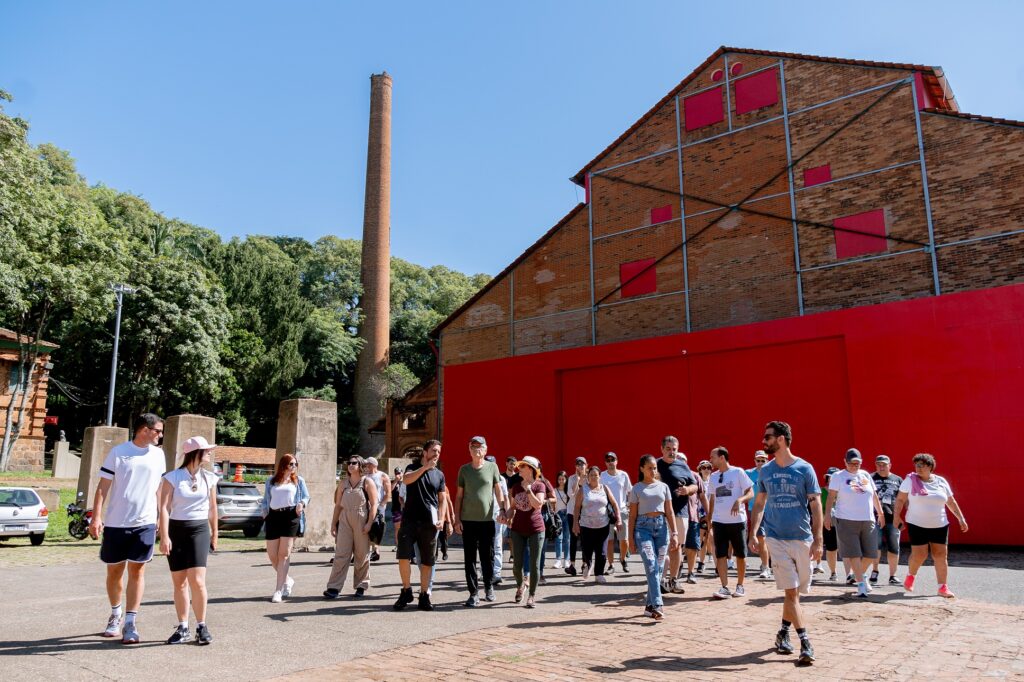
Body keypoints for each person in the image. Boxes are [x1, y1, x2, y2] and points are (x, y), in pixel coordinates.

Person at [748, 421, 822, 666]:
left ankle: (782, 632)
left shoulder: (804, 468)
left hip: (802, 538)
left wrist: (818, 539)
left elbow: (815, 504)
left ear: (780, 439)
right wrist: (754, 531)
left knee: (796, 594)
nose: (763, 441)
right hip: (775, 538)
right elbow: (759, 502)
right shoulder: (766, 471)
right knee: (791, 591)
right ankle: (805, 642)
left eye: (767, 437)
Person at [89, 413, 166, 644]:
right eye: (158, 431)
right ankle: (116, 613)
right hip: (115, 523)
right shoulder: (118, 452)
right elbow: (103, 487)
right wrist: (96, 517)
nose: (161, 436)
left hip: (145, 523)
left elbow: (160, 488)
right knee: (114, 572)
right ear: (144, 429)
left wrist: (162, 516)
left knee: (137, 571)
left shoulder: (159, 455)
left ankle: (131, 622)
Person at [157, 436, 219, 645]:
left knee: (198, 581)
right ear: (196, 453)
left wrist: (215, 532)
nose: (210, 453)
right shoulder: (172, 477)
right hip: (176, 529)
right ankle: (183, 626)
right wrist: (164, 536)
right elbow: (164, 508)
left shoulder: (209, 478)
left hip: (199, 529)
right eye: (206, 450)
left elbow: (212, 508)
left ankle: (201, 626)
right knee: (180, 582)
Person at [893, 453, 968, 598]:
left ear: (930, 466)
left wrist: (961, 518)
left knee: (940, 555)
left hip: (939, 524)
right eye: (916, 465)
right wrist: (896, 516)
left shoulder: (941, 481)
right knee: (920, 555)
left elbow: (951, 502)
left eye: (921, 465)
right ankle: (911, 575)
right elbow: (900, 499)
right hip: (916, 523)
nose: (918, 468)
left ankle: (942, 587)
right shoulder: (910, 480)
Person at [394, 440, 448, 611]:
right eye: (433, 451)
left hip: (429, 523)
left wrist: (442, 518)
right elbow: (407, 480)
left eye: (439, 451)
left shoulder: (439, 475)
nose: (437, 454)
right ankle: (406, 590)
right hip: (409, 520)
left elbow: (442, 500)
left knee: (427, 561)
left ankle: (424, 595)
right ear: (425, 453)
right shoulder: (412, 467)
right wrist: (425, 468)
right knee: (403, 556)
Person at [454, 436, 506, 607]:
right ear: (469, 449)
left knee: (487, 557)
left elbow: (498, 491)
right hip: (468, 521)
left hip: (486, 521)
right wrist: (457, 519)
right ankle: (473, 593)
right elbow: (459, 496)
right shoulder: (464, 470)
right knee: (469, 559)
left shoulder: (493, 468)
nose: (477, 449)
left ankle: (489, 587)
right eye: (473, 446)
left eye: (480, 446)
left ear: (486, 449)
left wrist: (503, 509)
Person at [825, 448, 884, 598]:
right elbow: (831, 497)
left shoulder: (865, 475)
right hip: (846, 519)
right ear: (845, 461)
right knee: (854, 554)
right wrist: (827, 516)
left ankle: (860, 575)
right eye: (851, 463)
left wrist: (880, 513)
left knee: (871, 553)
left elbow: (874, 495)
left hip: (867, 518)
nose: (855, 466)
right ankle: (861, 586)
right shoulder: (838, 476)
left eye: (857, 463)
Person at [628, 455, 678, 620]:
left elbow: (670, 511)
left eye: (655, 467)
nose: (653, 470)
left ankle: (649, 606)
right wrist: (630, 539)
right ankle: (658, 604)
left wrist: (675, 533)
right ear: (642, 468)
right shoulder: (636, 488)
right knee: (651, 564)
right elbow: (632, 516)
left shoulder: (663, 487)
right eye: (649, 467)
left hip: (662, 528)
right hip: (643, 529)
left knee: (657, 567)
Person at [323, 456, 377, 599]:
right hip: (345, 518)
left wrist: (369, 523)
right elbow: (338, 506)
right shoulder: (343, 483)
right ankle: (334, 587)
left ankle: (361, 585)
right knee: (341, 553)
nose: (351, 465)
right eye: (349, 463)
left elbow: (374, 504)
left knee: (361, 554)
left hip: (361, 518)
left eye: (354, 463)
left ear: (360, 466)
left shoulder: (367, 482)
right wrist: (333, 523)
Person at [261, 453, 310, 603]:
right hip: (273, 517)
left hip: (291, 517)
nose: (293, 467)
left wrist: (302, 503)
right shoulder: (271, 481)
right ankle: (287, 580)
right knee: (272, 555)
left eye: (295, 464)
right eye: (291, 464)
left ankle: (278, 590)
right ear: (283, 465)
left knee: (284, 554)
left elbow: (306, 496)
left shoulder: (298, 481)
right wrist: (264, 512)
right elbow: (265, 500)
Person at [707, 446, 754, 599]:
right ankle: (724, 587)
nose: (710, 460)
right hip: (719, 521)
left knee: (740, 554)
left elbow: (750, 492)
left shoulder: (738, 472)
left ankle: (740, 586)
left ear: (722, 458)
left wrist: (740, 500)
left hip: (737, 521)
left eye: (712, 457)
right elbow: (712, 498)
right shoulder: (713, 477)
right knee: (720, 554)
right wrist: (709, 519)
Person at [656, 436, 698, 594]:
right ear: (661, 449)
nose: (671, 452)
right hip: (658, 513)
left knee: (676, 547)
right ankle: (658, 581)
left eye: (674, 449)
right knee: (659, 548)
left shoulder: (682, 465)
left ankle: (673, 580)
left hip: (680, 513)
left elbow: (694, 485)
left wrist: (687, 490)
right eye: (668, 449)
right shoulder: (655, 465)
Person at [507, 456, 547, 607]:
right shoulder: (516, 486)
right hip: (517, 529)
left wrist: (529, 491)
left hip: (536, 529)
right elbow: (513, 507)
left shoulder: (539, 486)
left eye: (522, 466)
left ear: (530, 469)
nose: (519, 468)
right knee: (517, 565)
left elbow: (538, 505)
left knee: (534, 564)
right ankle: (520, 585)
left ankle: (532, 596)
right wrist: (505, 515)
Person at [573, 465, 620, 583]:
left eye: (596, 475)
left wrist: (618, 519)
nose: (594, 477)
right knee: (587, 550)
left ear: (600, 477)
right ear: (588, 477)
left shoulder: (605, 488)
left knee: (602, 551)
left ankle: (599, 574)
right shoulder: (583, 489)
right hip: (586, 525)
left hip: (603, 525)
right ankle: (588, 564)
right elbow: (577, 507)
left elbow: (614, 504)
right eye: (591, 475)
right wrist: (575, 523)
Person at [871, 455, 903, 585]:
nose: (881, 467)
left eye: (884, 464)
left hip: (892, 518)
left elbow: (902, 499)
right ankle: (875, 571)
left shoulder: (897, 479)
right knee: (875, 546)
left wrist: (901, 516)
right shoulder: (870, 478)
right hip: (874, 517)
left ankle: (893, 575)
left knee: (894, 547)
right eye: (879, 464)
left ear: (890, 465)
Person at [601, 452, 632, 574]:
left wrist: (629, 506)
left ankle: (623, 559)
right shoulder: (602, 475)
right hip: (607, 512)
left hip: (622, 511)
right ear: (605, 463)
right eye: (608, 460)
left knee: (624, 540)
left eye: (612, 460)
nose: (610, 462)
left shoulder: (623, 475)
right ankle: (611, 564)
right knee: (609, 540)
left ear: (617, 461)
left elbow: (630, 491)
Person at [747, 450, 772, 579]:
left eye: (763, 460)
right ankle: (765, 567)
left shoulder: (772, 473)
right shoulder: (748, 474)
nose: (760, 463)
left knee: (773, 539)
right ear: (754, 461)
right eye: (758, 460)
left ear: (767, 461)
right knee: (761, 538)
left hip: (773, 510)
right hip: (756, 510)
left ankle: (772, 564)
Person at [486, 455, 509, 586]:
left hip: (497, 515)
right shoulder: (481, 477)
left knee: (498, 544)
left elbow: (505, 497)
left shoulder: (501, 479)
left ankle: (497, 573)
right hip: (483, 516)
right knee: (484, 545)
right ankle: (486, 571)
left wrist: (506, 513)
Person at [563, 456, 588, 576]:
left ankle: (585, 563)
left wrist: (584, 480)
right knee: (573, 538)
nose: (580, 467)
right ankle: (572, 564)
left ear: (586, 465)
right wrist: (578, 480)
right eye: (578, 465)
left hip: (585, 512)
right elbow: (571, 494)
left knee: (585, 539)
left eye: (582, 464)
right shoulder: (572, 478)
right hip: (572, 512)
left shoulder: (590, 478)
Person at [363, 457, 390, 562]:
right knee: (367, 527)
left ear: (373, 464)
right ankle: (373, 551)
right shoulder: (364, 476)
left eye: (368, 464)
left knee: (377, 527)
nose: (366, 466)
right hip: (366, 506)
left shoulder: (382, 476)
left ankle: (375, 550)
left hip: (378, 506)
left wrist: (381, 505)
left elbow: (388, 493)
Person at [820, 467, 840, 581]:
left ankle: (850, 573)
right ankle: (833, 572)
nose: (832, 479)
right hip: (827, 523)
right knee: (831, 548)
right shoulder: (821, 491)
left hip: (843, 522)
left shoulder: (843, 491)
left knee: (846, 549)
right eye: (830, 477)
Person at [695, 460, 714, 574]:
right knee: (702, 537)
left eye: (708, 468)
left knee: (711, 537)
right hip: (701, 513)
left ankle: (717, 562)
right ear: (700, 469)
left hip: (713, 513)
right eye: (704, 468)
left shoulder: (714, 481)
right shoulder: (697, 481)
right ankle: (701, 563)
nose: (706, 470)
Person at [553, 470, 571, 569]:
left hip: (567, 514)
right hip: (558, 515)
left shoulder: (568, 491)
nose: (561, 481)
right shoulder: (555, 491)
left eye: (563, 479)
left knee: (567, 539)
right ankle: (558, 560)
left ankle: (567, 560)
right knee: (558, 538)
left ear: (566, 479)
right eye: (559, 479)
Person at [390, 467, 404, 547]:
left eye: (399, 473)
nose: (398, 475)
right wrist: (395, 481)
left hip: (405, 508)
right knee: (397, 528)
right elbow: (389, 490)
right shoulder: (393, 482)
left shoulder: (406, 482)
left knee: (405, 527)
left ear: (402, 473)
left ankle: (405, 545)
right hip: (396, 508)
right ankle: (398, 545)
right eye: (396, 473)